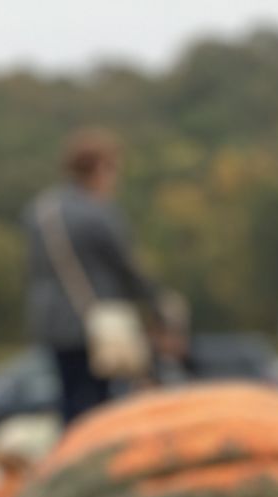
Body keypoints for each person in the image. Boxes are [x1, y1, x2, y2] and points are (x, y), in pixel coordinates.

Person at [22, 128, 174, 425]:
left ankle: (70, 457)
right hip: (95, 322)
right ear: (102, 167)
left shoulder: (38, 211)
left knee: (68, 396)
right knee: (100, 403)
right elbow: (127, 268)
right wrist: (158, 308)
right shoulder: (97, 213)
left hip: (50, 322)